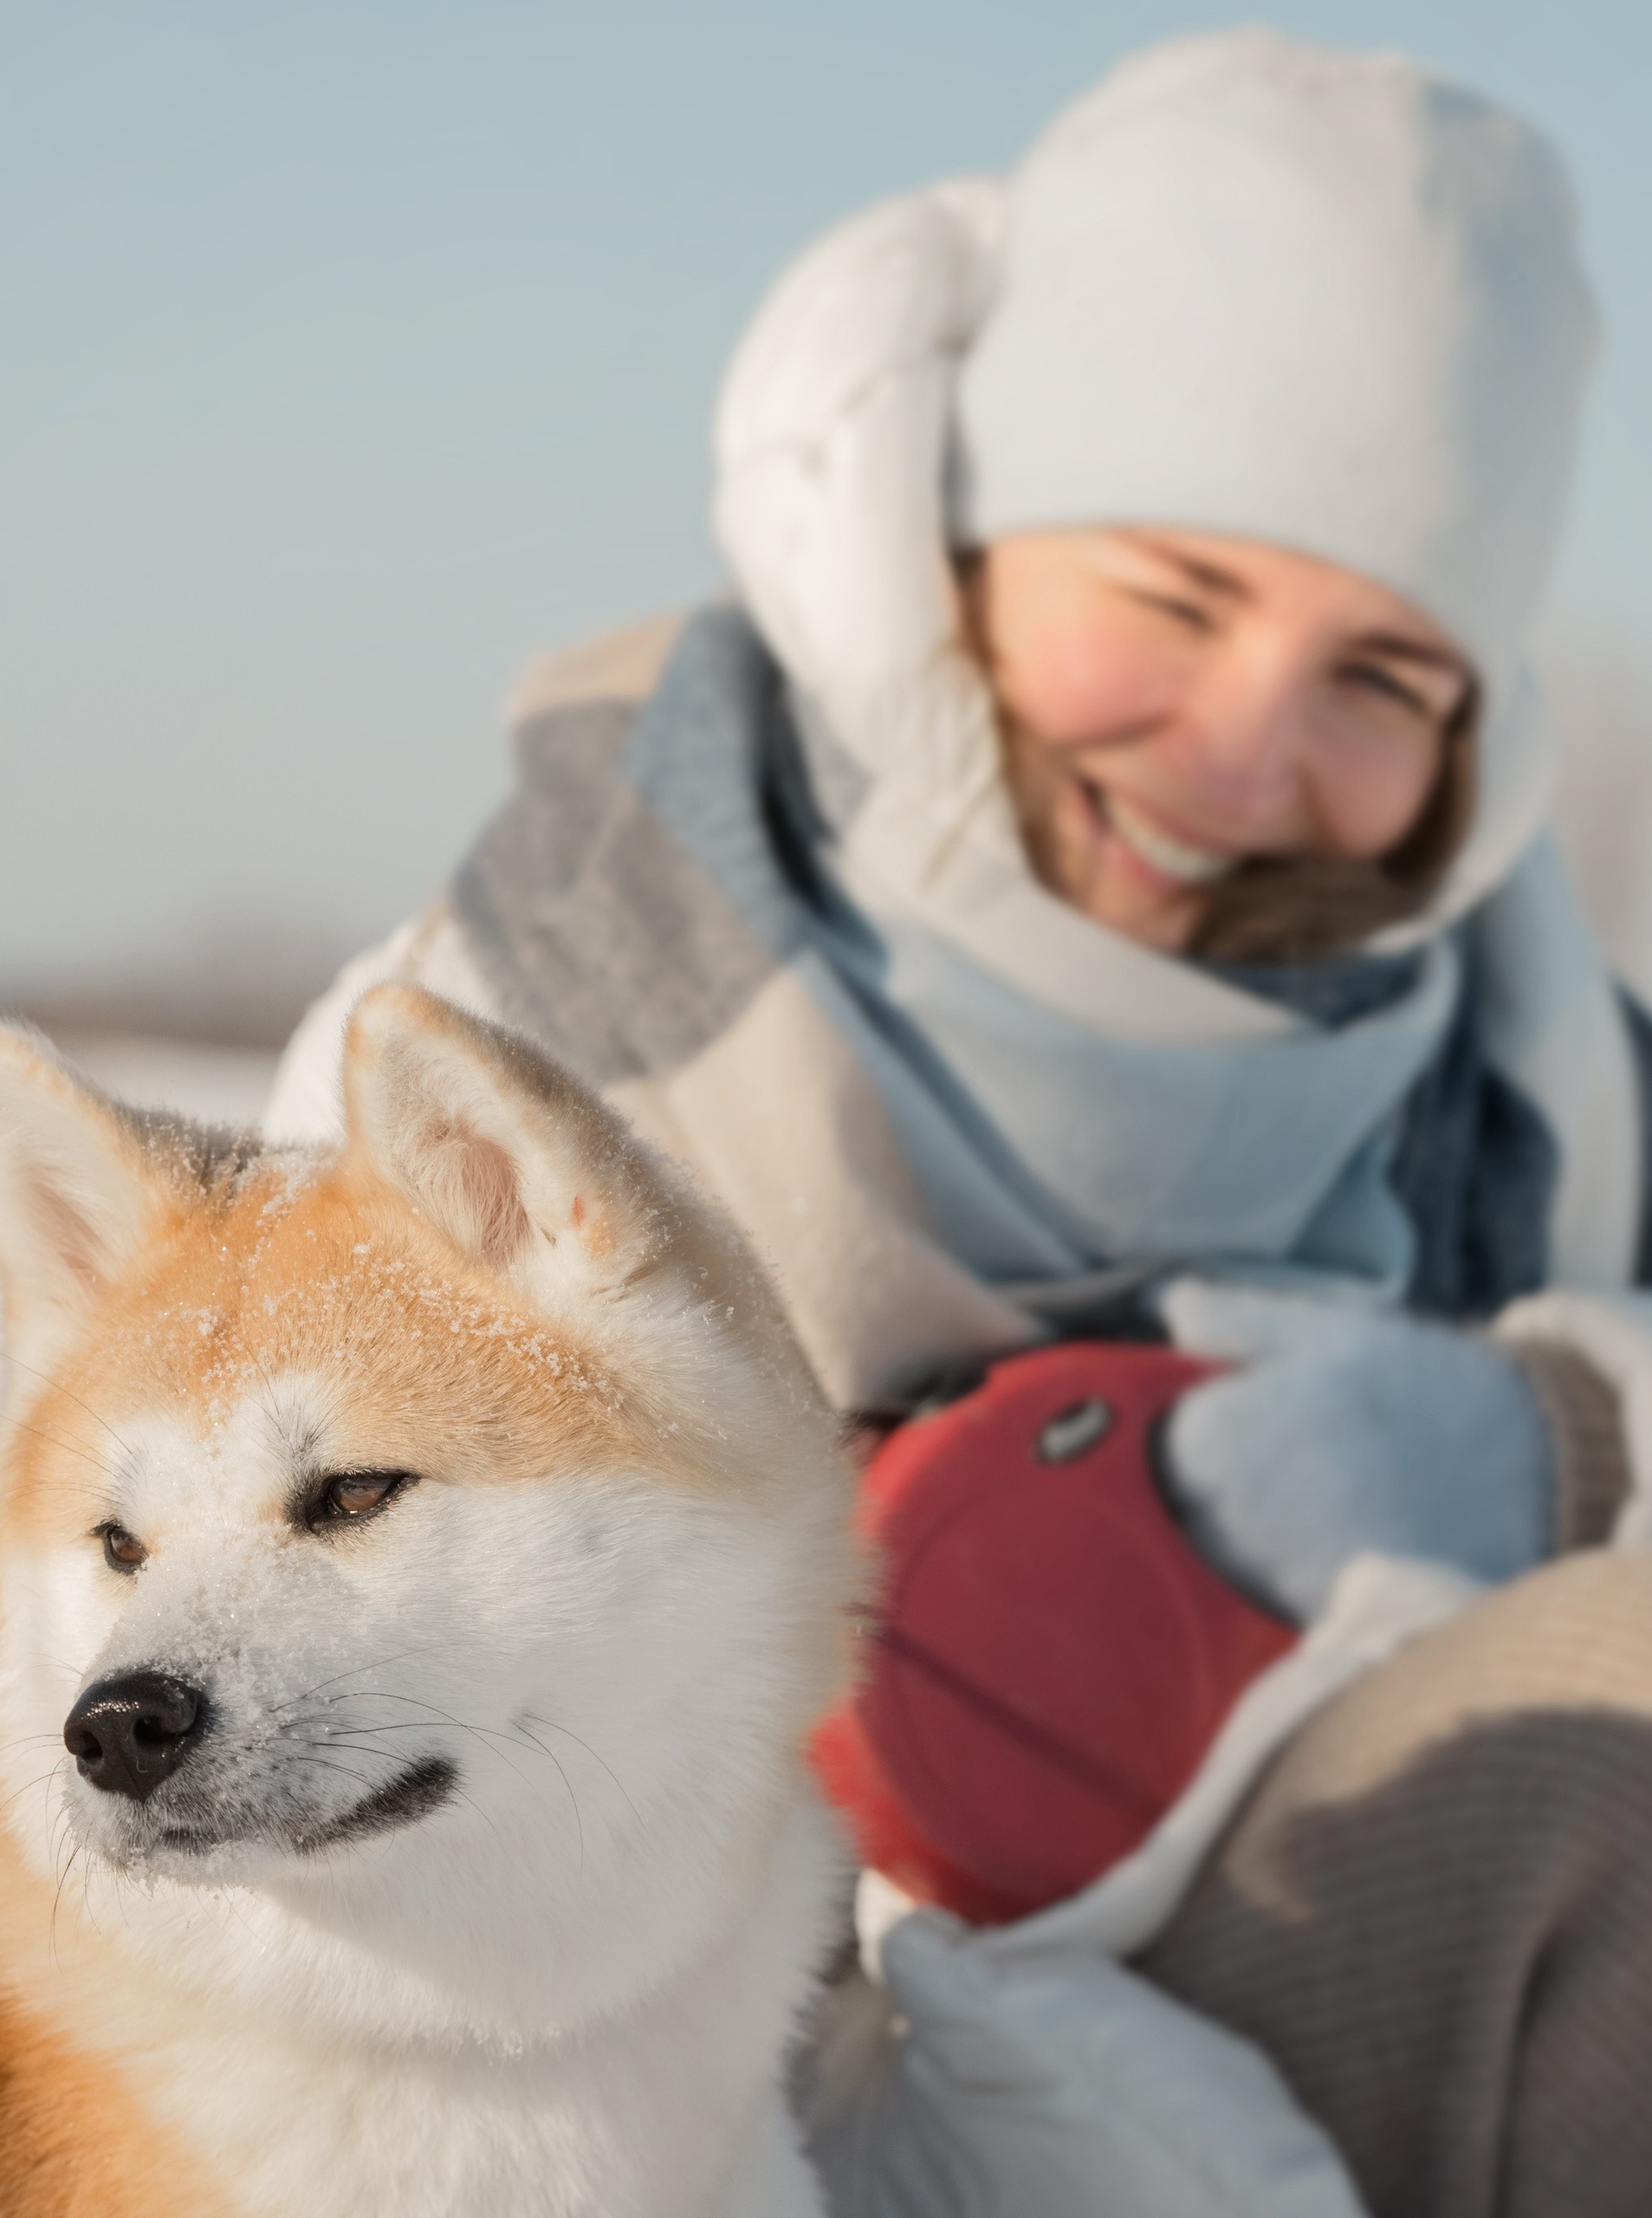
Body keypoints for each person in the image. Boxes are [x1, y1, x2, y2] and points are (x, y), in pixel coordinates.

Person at [265, 29, 1652, 2216]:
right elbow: (251, 1775)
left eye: (1378, 677)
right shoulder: (521, 1031)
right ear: (957, 541)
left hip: (1345, 1940)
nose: (1239, 752)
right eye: (1174, 598)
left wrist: (1541, 1429)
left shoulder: (1528, 1068)